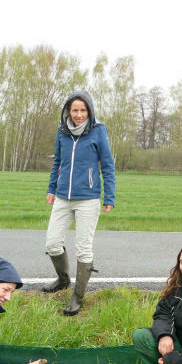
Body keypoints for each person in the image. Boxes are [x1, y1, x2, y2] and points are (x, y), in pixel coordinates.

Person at [43, 90, 116, 316]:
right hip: (63, 197)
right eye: (75, 110)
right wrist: (52, 188)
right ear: (68, 110)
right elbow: (58, 161)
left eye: (83, 110)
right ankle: (63, 280)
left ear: (89, 110)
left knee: (83, 248)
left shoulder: (98, 131)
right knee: (52, 243)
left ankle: (78, 295)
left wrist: (109, 197)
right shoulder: (62, 131)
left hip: (88, 199)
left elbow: (108, 165)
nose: (79, 114)